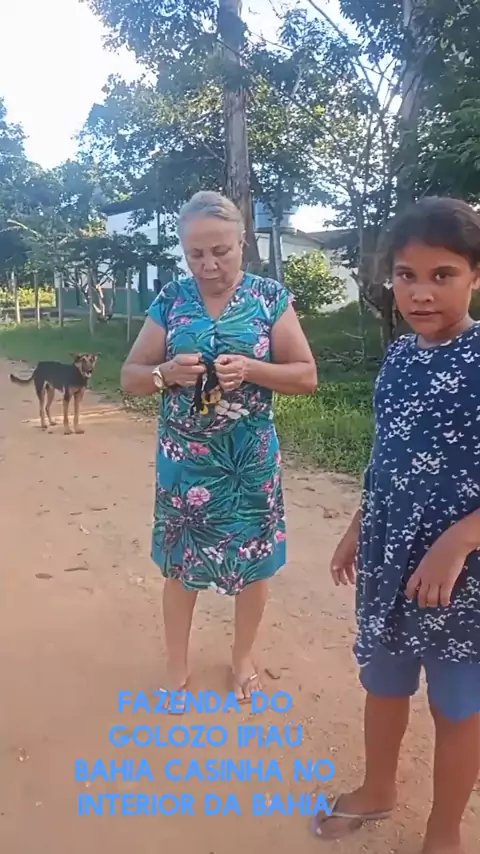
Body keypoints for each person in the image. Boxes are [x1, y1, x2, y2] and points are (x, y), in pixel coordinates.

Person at [316, 197, 480, 854]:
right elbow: (390, 453)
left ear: (475, 274)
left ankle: (445, 831)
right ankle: (377, 788)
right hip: (390, 559)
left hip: (462, 578)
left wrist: (460, 540)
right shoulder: (402, 357)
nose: (420, 293)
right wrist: (361, 522)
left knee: (457, 704)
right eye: (406, 276)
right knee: (382, 683)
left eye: (442, 275)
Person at [121, 190, 317, 707]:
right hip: (185, 463)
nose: (208, 264)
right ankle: (176, 665)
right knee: (181, 566)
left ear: (242, 242)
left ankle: (242, 658)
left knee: (253, 563)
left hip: (248, 461)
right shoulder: (172, 299)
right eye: (196, 254)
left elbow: (306, 376)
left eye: (221, 251)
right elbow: (130, 377)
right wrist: (165, 373)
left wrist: (252, 369)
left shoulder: (269, 298)